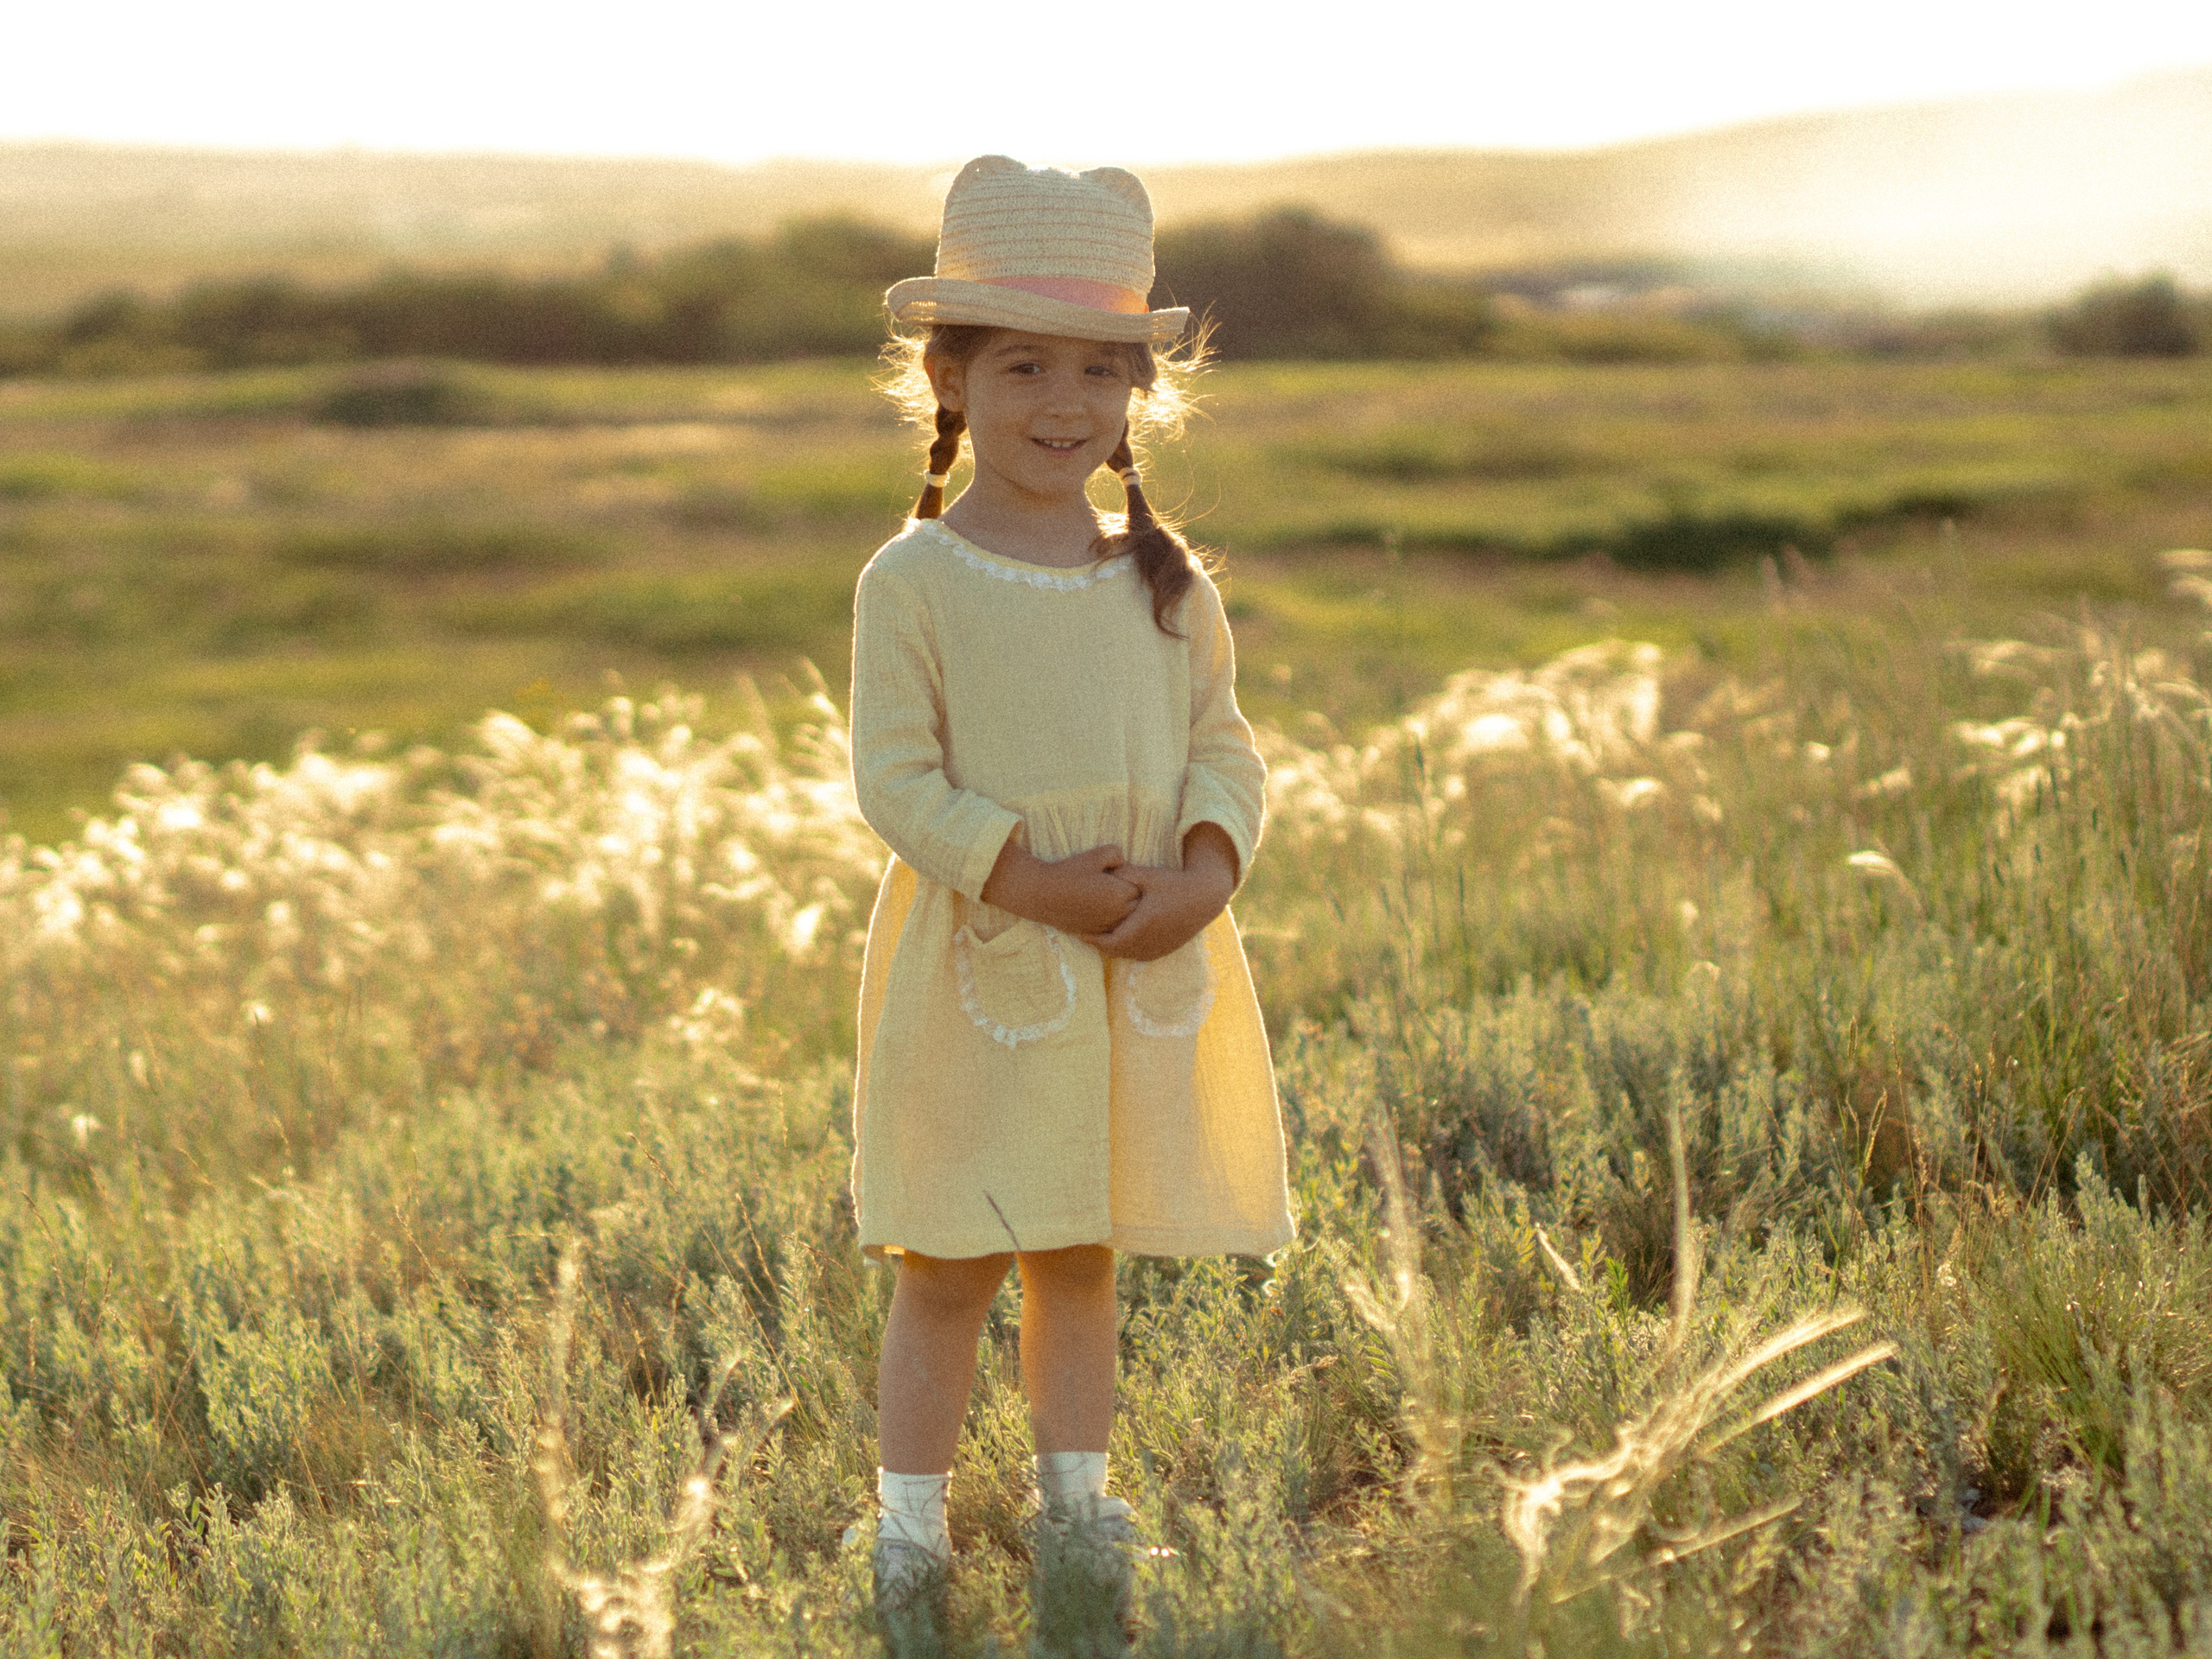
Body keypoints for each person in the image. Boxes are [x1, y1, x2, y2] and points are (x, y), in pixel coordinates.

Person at [846, 155, 1294, 1629]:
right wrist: (1026, 876)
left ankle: (1078, 1521)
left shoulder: (1164, 582)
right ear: (951, 376)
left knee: (1080, 1256)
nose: (1064, 403)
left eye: (1101, 372)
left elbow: (1225, 745)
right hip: (987, 961)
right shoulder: (913, 581)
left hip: (1135, 965)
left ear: (1136, 399)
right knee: (952, 1259)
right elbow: (897, 783)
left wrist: (1208, 872)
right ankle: (909, 1537)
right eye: (1024, 363)